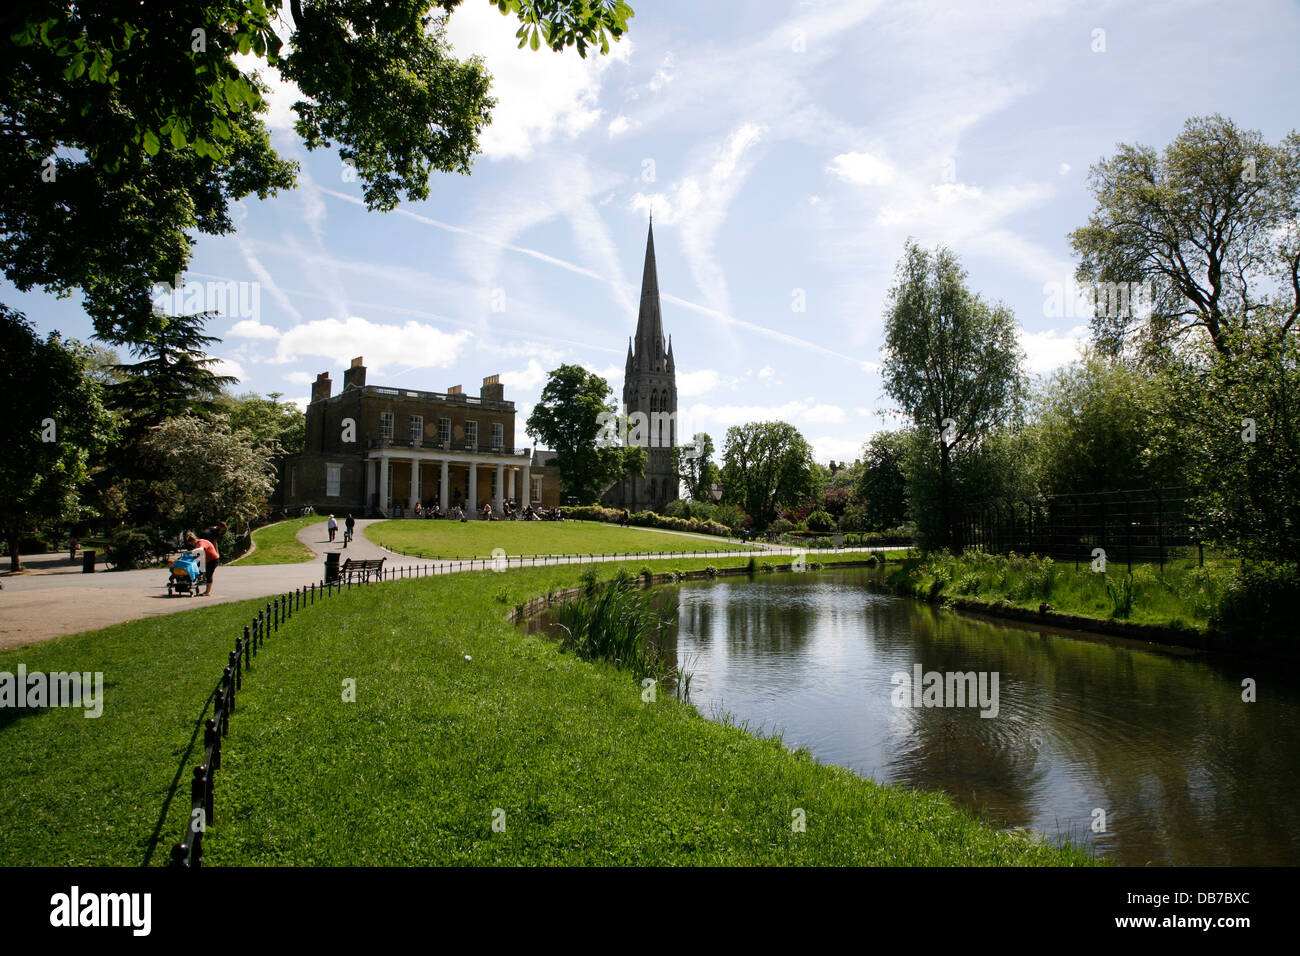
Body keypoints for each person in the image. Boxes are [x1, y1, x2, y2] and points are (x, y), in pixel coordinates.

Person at [184, 531, 220, 597]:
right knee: (200, 570)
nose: (192, 545)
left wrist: (189, 552)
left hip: (213, 559)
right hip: (206, 559)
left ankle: (207, 592)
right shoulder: (198, 544)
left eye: (191, 543)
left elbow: (201, 550)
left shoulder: (201, 543)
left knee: (209, 574)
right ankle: (200, 578)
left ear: (193, 540)